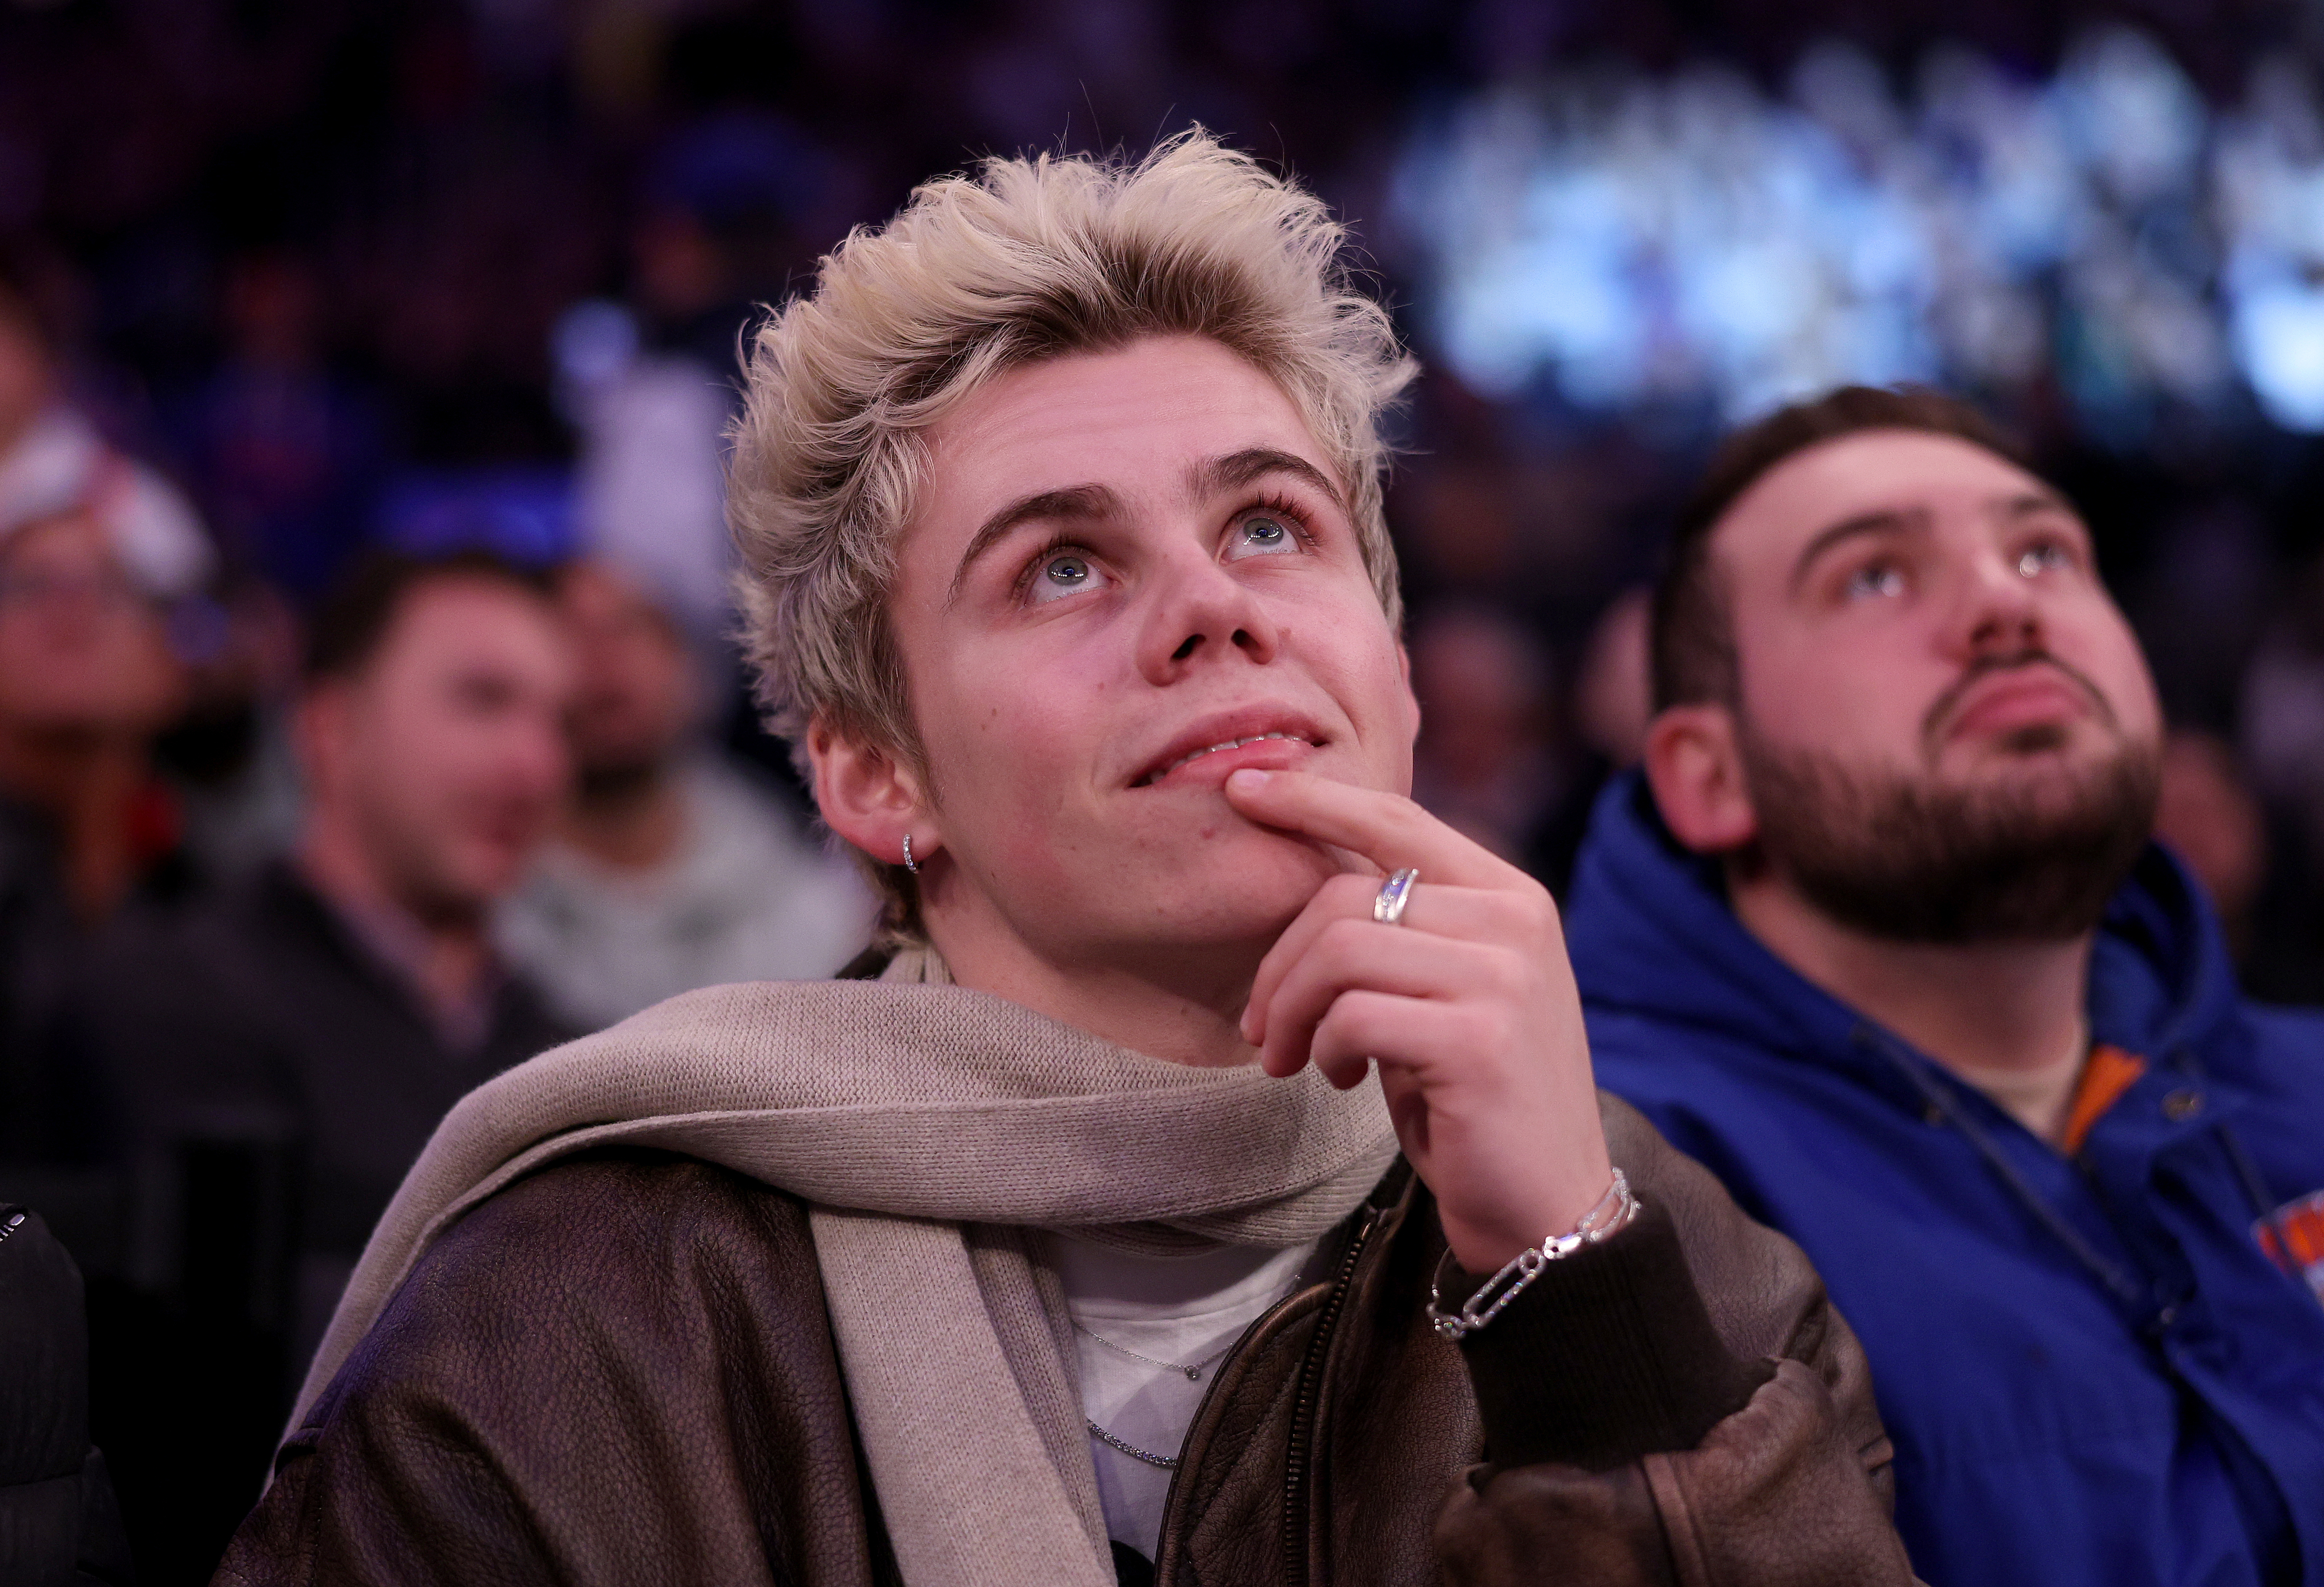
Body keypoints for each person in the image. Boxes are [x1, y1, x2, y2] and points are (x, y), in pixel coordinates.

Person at [218, 136, 1913, 1587]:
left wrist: (1574, 1292)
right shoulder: (579, 1321)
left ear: (1389, 668)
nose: (1211, 604)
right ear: (876, 773)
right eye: (1060, 566)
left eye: (1268, 523)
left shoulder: (1675, 1244)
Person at [1566, 386, 2324, 1587]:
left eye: (2041, 552)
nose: (2004, 604)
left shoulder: (2302, 1082)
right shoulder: (1609, 1194)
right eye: (1872, 576)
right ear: (1708, 775)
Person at [68, 550, 577, 1580]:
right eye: (483, 700)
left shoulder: (574, 1052)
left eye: (558, 720)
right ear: (328, 727)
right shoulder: (163, 995)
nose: (536, 764)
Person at [497, 556, 873, 1030]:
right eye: (570, 630)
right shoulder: (480, 916)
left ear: (689, 668)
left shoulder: (816, 905)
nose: (604, 655)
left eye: (631, 626)